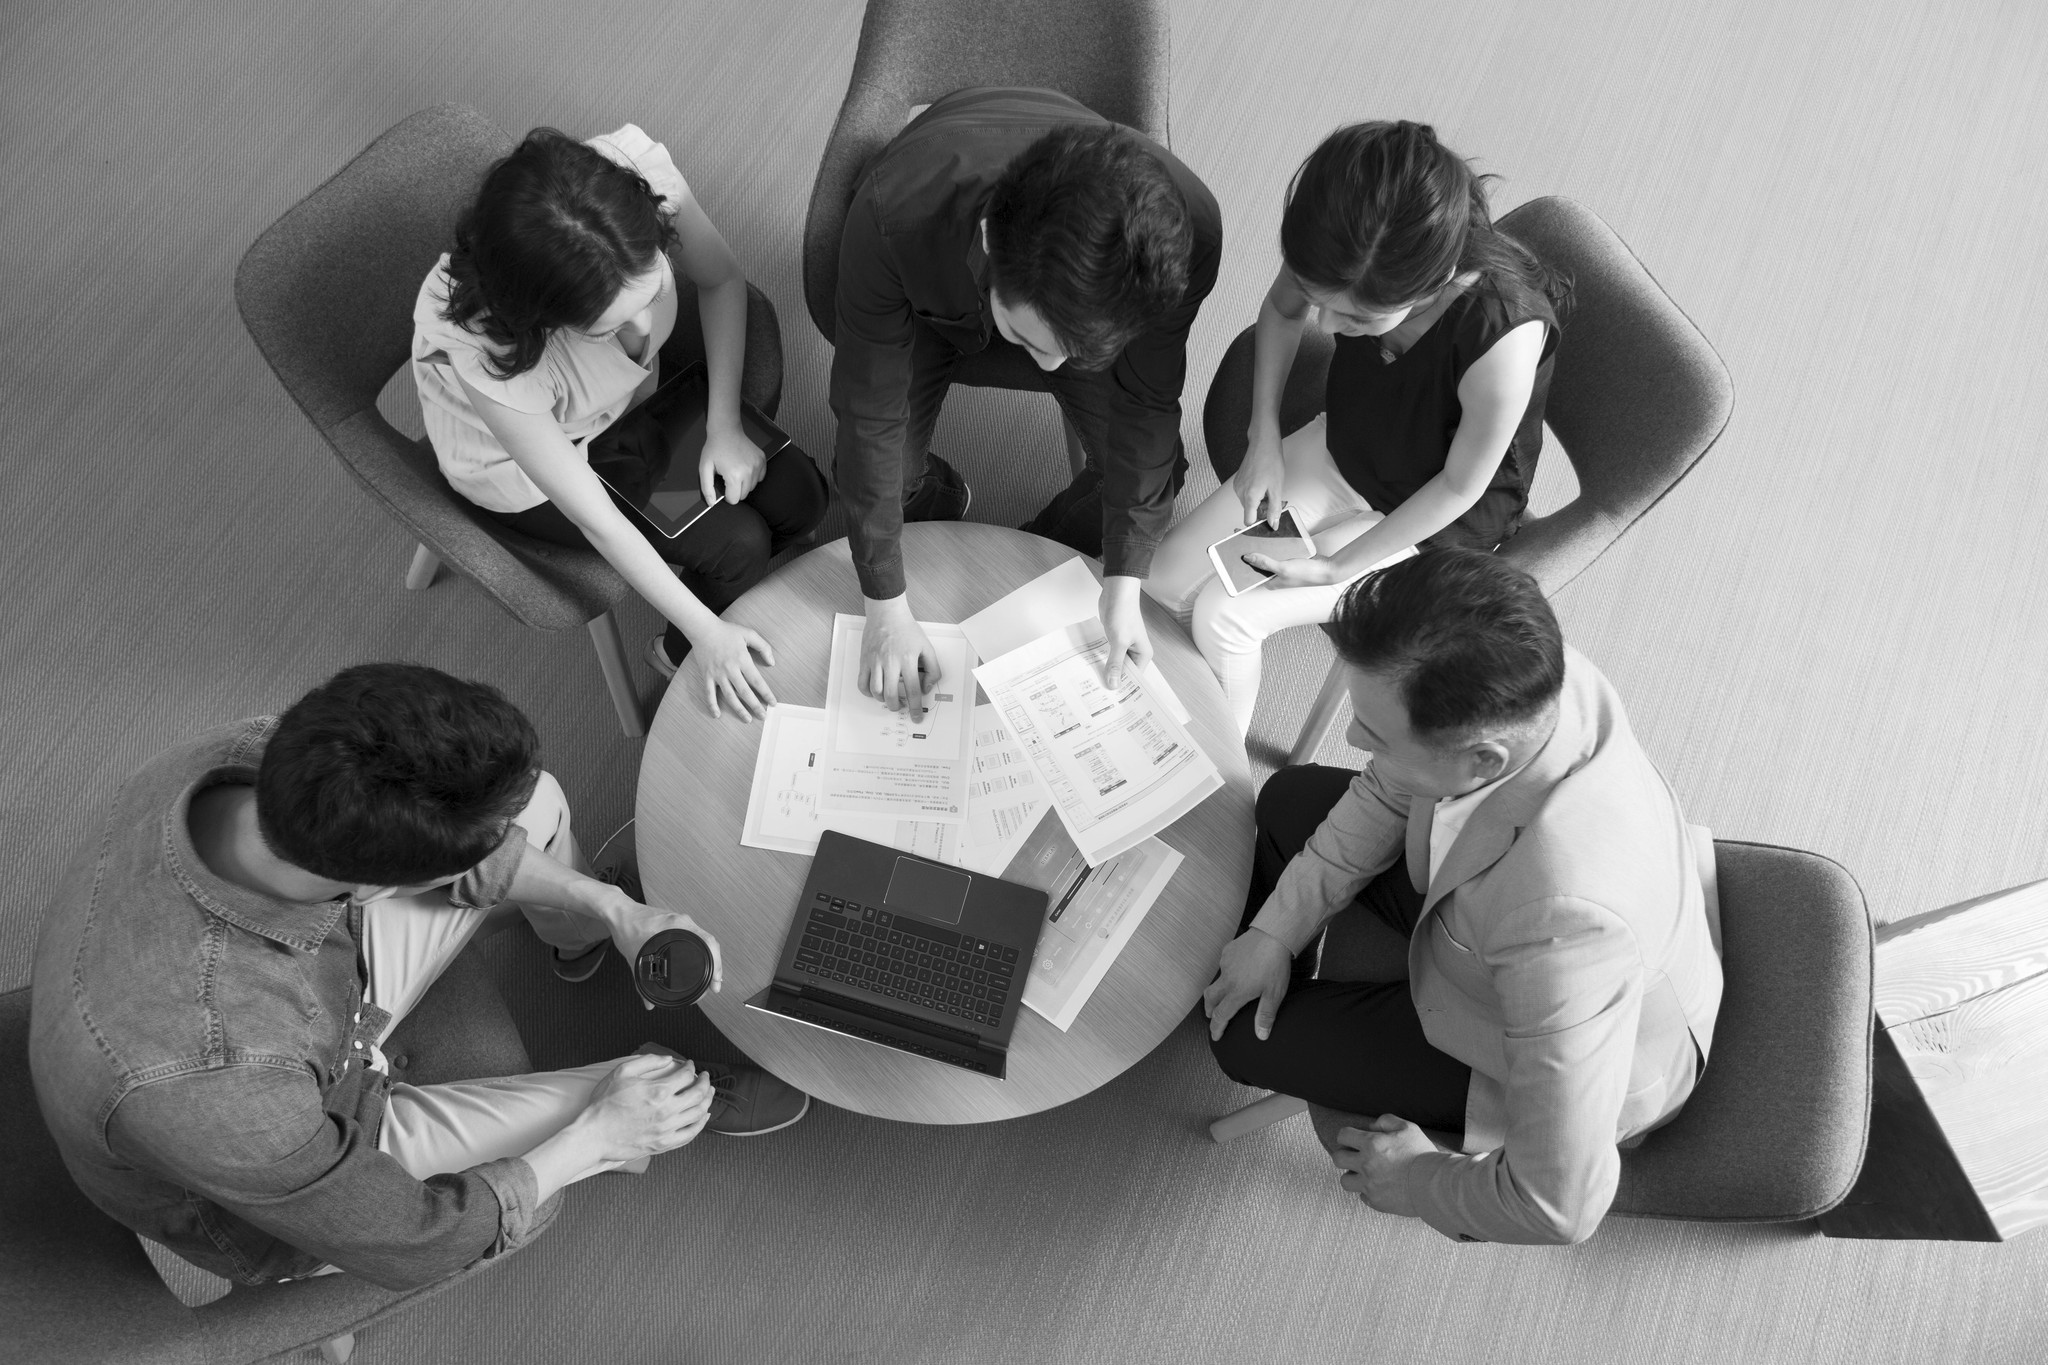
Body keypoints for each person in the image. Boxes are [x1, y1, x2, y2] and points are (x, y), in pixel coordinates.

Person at [29, 663, 809, 1294]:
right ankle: (659, 1092)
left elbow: (474, 844)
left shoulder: (272, 755)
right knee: (631, 1105)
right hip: (289, 1146)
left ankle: (582, 939)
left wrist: (611, 907)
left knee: (537, 806)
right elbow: (414, 1236)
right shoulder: (221, 1082)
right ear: (373, 886)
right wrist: (594, 1141)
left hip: (314, 1001)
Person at [1202, 550, 1722, 1244]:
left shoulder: (1566, 924)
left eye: (1376, 734)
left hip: (1558, 1032)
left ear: (1482, 761)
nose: (1354, 739)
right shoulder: (1521, 672)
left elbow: (1560, 1204)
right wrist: (1274, 931)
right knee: (1290, 795)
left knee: (1239, 1041)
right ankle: (1265, 966)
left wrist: (1417, 1179)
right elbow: (1395, 783)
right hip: (1487, 901)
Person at [1146, 121, 1567, 736]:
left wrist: (1336, 568)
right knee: (1164, 579)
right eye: (1324, 298)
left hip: (1433, 516)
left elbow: (1459, 488)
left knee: (1223, 615)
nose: (1327, 322)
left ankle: (1219, 768)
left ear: (1434, 284)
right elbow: (1282, 310)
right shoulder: (1340, 243)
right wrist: (1263, 437)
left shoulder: (1502, 339)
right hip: (1347, 445)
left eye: (1356, 316)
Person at [412, 124, 828, 721]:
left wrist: (724, 426)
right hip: (531, 465)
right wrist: (705, 633)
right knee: (739, 546)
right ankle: (678, 652)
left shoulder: (632, 184)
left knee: (801, 497)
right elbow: (597, 519)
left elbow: (721, 279)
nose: (640, 326)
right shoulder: (490, 351)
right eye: (609, 326)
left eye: (653, 286)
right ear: (546, 321)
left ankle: (723, 605)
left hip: (629, 401)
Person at [828, 87, 1222, 716]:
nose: (1049, 372)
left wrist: (1123, 587)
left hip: (1059, 304)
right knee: (885, 476)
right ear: (987, 241)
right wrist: (884, 607)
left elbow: (1148, 402)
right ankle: (935, 495)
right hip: (926, 293)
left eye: (1072, 355)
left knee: (1160, 473)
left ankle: (1023, 559)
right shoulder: (891, 214)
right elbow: (868, 410)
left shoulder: (1190, 232)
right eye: (1028, 341)